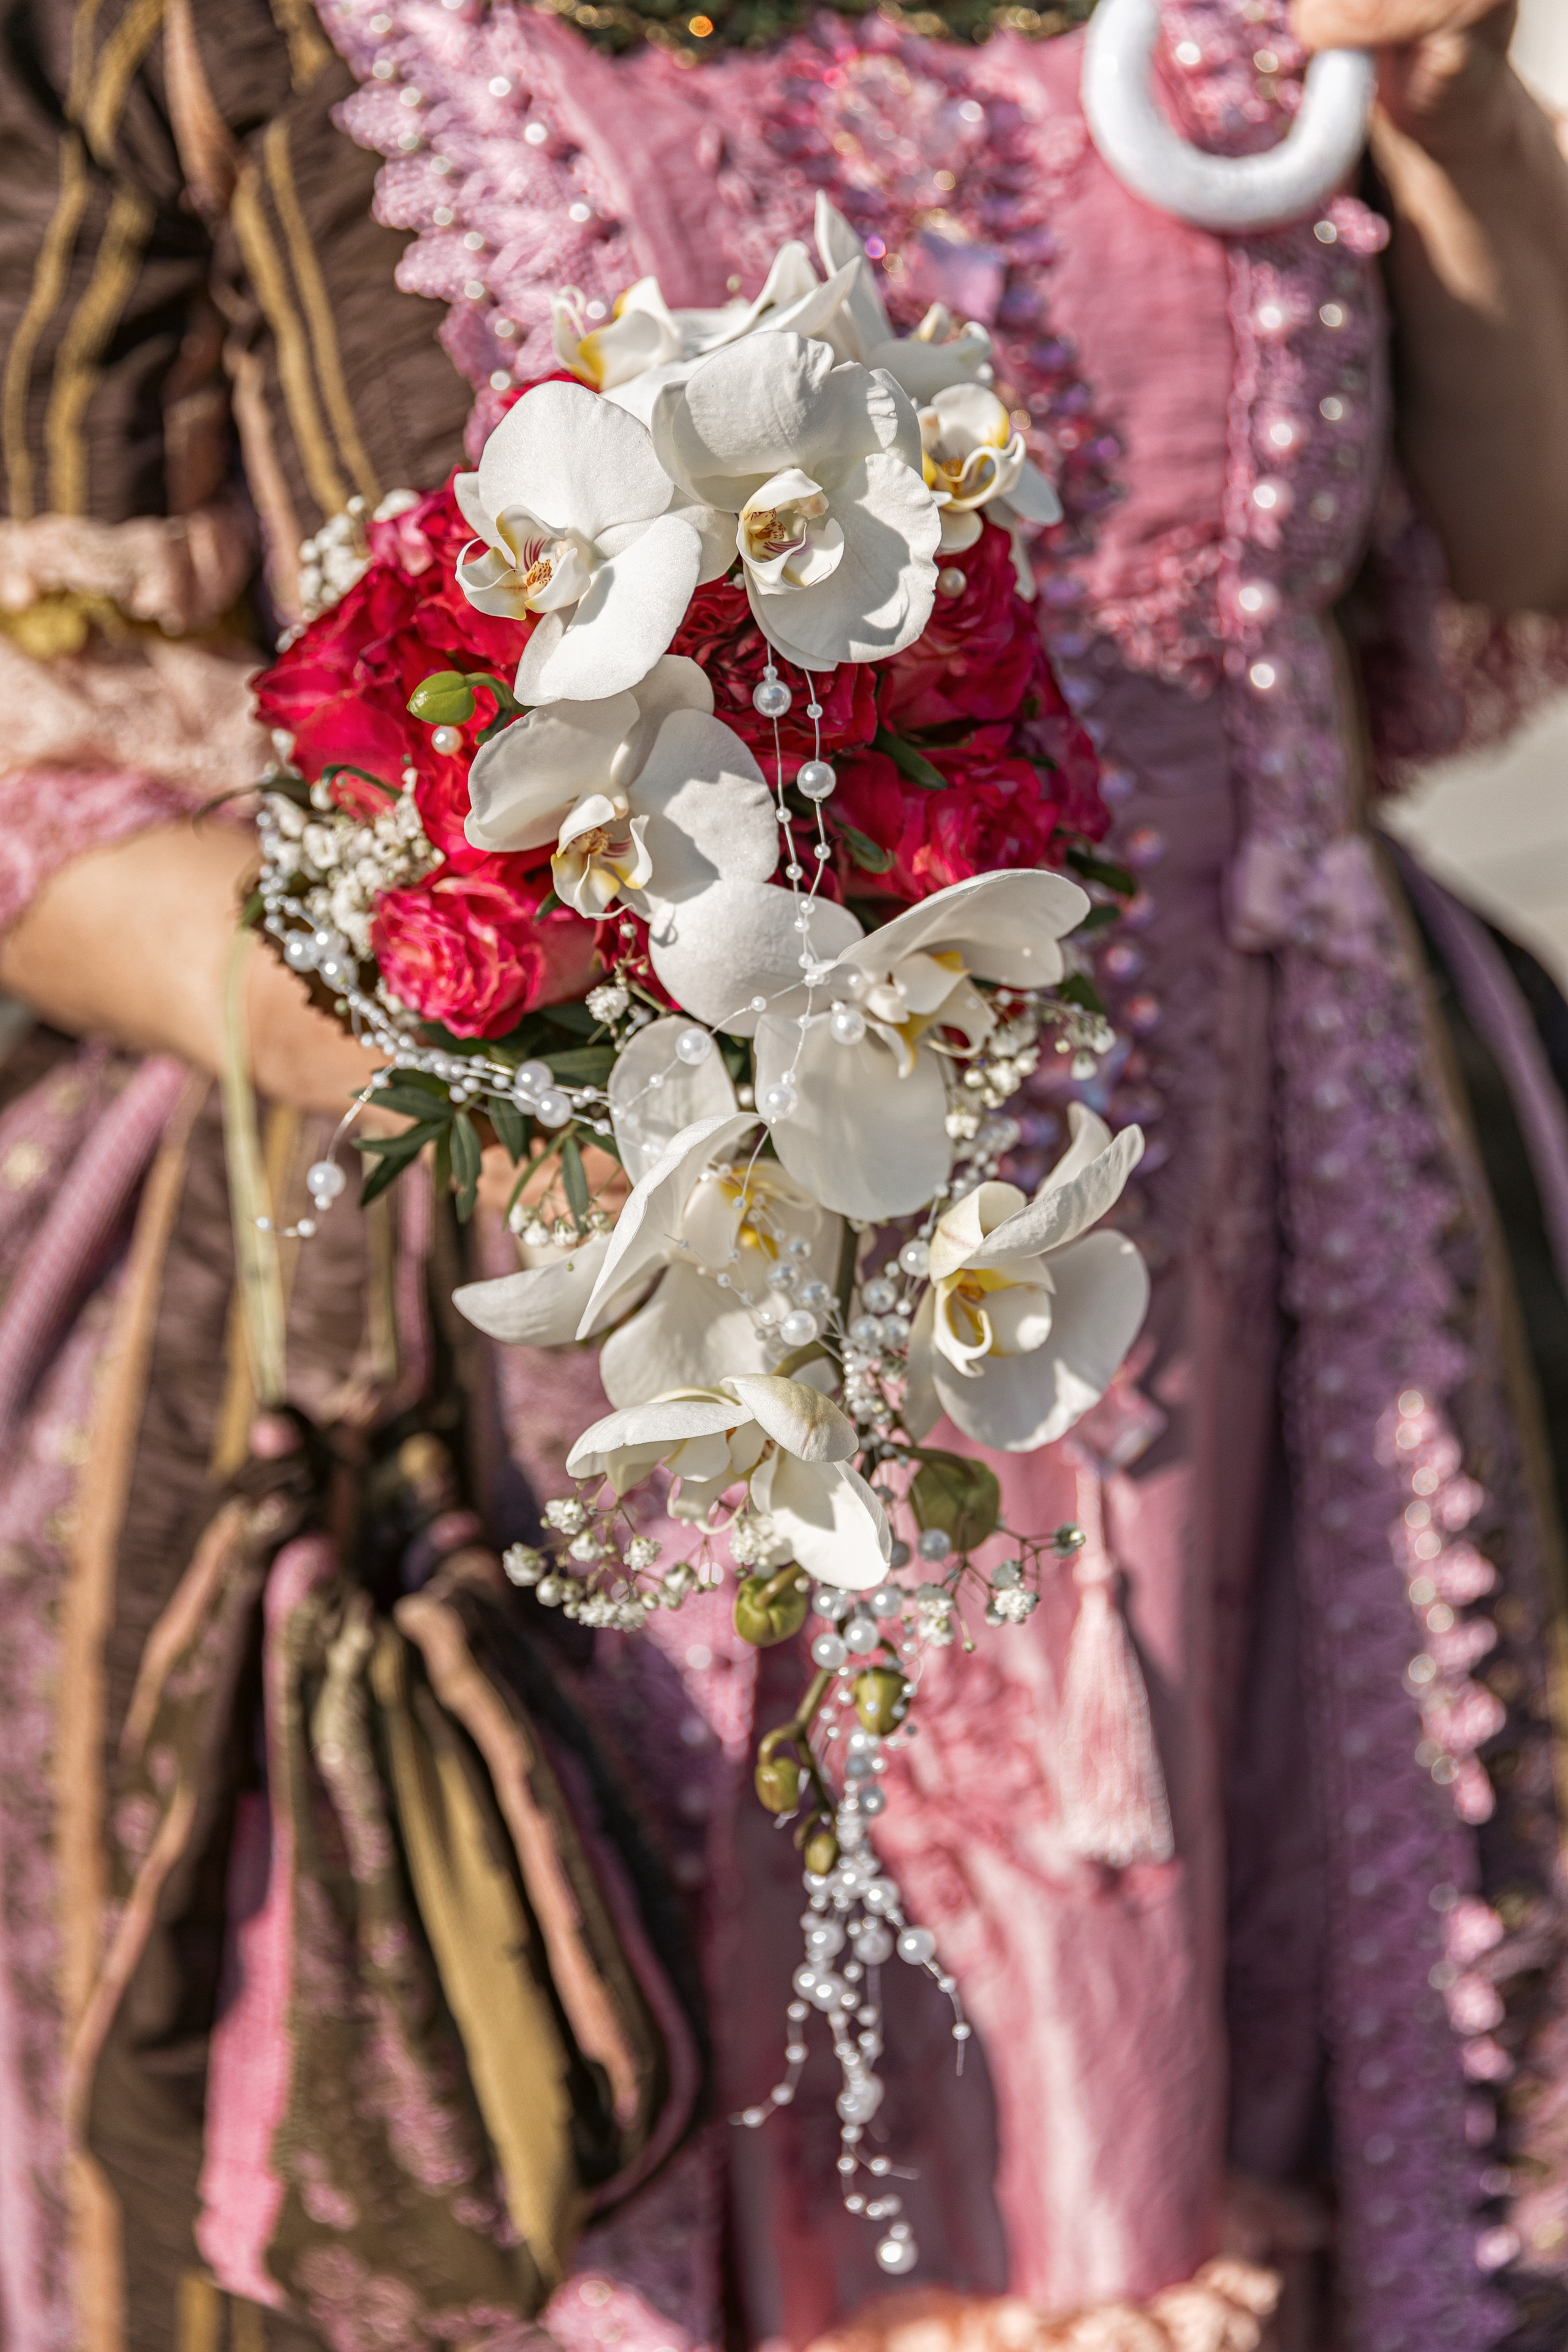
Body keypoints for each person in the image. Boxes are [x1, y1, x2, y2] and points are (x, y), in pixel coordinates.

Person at [2, 0, 1568, 2346]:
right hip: (563, 1371)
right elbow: (43, 745)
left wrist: (1455, 124)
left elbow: (1505, 575)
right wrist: (514, 1025)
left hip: (1283, 1326)